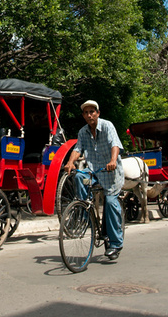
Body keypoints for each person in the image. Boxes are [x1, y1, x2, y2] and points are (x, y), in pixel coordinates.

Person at [63, 100, 124, 260]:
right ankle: (84, 211)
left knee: (110, 203)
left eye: (92, 112)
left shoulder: (107, 126)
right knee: (79, 176)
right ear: (83, 115)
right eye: (86, 112)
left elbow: (115, 144)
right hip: (93, 172)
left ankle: (116, 243)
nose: (89, 115)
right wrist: (70, 162)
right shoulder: (83, 131)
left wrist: (112, 161)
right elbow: (78, 149)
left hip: (110, 173)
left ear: (98, 113)